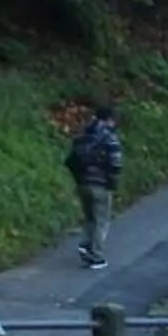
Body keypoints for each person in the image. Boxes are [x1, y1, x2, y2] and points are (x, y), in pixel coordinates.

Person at [64, 102, 124, 270]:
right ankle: (96, 256)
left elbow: (71, 159)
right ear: (110, 119)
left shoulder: (84, 134)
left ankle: (85, 244)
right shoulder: (109, 137)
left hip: (82, 183)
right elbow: (115, 163)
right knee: (102, 220)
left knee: (90, 217)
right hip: (101, 184)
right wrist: (112, 182)